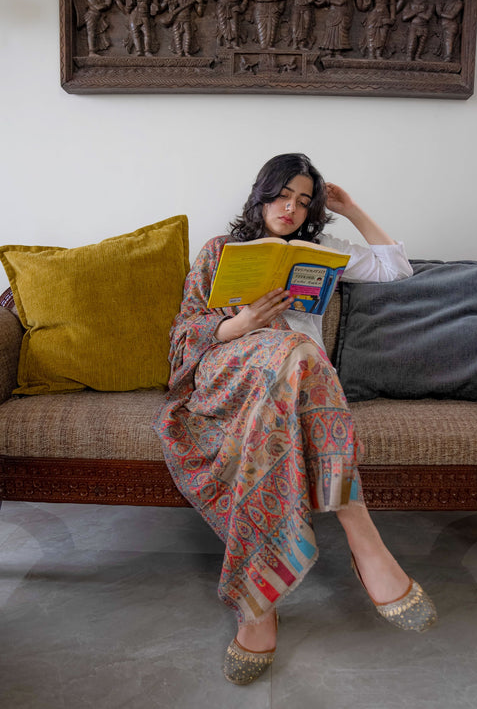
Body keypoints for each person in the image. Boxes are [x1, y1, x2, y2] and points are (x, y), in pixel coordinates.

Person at [153, 153, 437, 686]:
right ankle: (362, 534)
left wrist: (352, 210)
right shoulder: (220, 250)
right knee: (300, 353)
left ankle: (258, 603)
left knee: (301, 356)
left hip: (297, 383)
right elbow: (186, 331)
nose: (291, 208)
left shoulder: (321, 252)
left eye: (304, 201)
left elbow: (396, 269)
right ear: (261, 195)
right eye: (283, 195)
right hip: (230, 371)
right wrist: (242, 324)